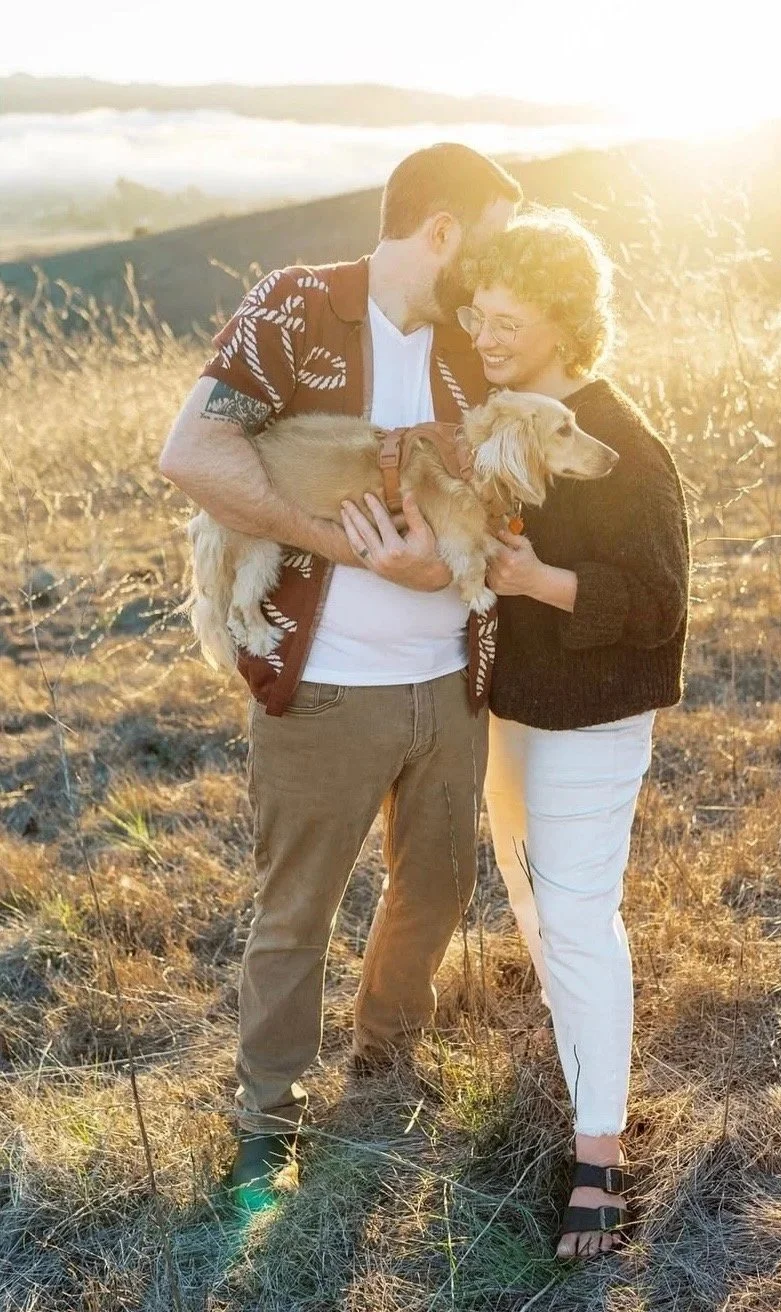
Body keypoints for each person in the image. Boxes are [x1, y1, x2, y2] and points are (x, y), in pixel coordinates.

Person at [159, 144, 521, 1201]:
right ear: (444, 230)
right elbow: (193, 453)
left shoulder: (472, 344)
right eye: (487, 240)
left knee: (437, 888)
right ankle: (268, 1117)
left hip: (454, 678)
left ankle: (386, 1060)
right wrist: (350, 544)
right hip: (326, 685)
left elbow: (506, 471)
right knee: (297, 910)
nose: (495, 275)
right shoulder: (298, 307)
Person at [458, 209, 690, 1259]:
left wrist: (532, 579)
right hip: (513, 708)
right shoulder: (502, 419)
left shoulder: (620, 441)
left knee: (580, 920)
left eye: (507, 315)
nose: (485, 328)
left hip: (593, 714)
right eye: (477, 309)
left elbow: (659, 603)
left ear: (562, 322)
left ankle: (600, 1153)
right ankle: (572, 1036)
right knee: (533, 902)